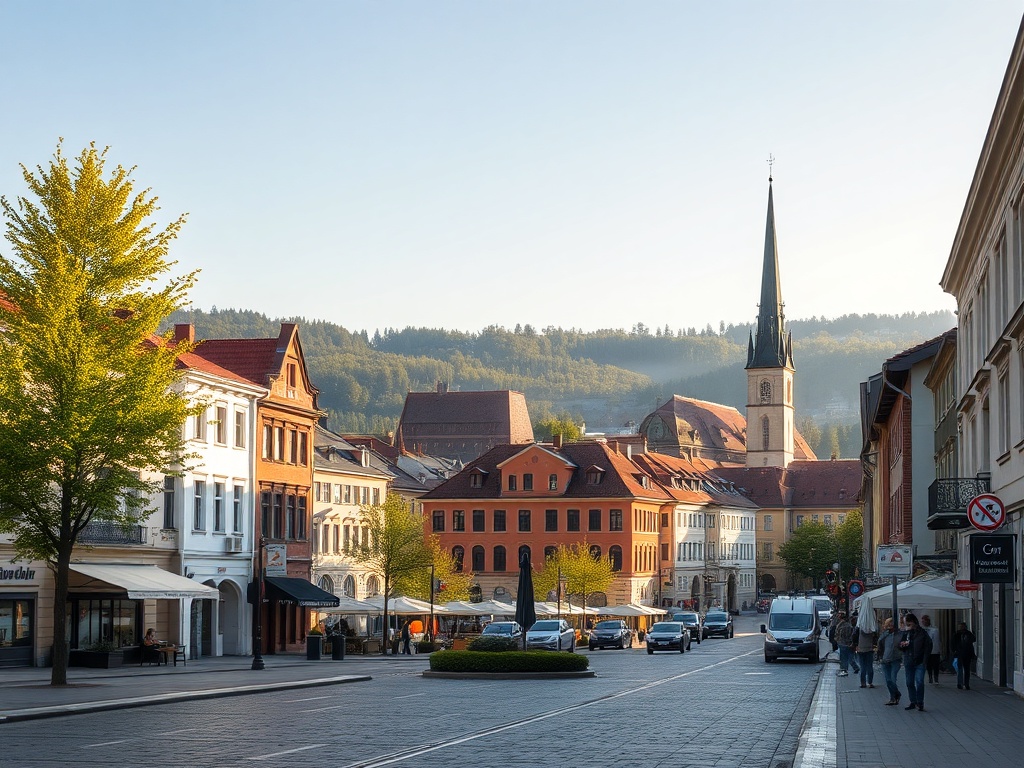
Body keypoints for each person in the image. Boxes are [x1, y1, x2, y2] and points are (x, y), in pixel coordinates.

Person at [900, 613, 932, 711]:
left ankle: (920, 702)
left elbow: (928, 646)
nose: (907, 626)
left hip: (919, 662)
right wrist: (902, 645)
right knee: (909, 682)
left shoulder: (922, 633)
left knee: (919, 682)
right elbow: (900, 645)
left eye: (908, 624)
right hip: (908, 661)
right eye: (906, 624)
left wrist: (924, 660)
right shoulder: (905, 633)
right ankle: (913, 701)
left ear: (914, 622)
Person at [876, 617, 902, 706]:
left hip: (895, 659)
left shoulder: (899, 634)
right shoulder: (884, 634)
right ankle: (893, 698)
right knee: (888, 680)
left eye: (892, 623)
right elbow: (880, 644)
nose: (890, 625)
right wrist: (880, 656)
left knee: (892, 680)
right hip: (885, 659)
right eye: (889, 623)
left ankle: (896, 694)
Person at [952, 621, 977, 690]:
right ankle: (960, 683)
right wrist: (954, 651)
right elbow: (953, 643)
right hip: (959, 654)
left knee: (967, 670)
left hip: (967, 654)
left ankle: (966, 684)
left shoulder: (968, 633)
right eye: (960, 626)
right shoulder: (956, 634)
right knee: (960, 669)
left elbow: (973, 640)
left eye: (962, 626)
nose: (961, 628)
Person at [834, 612, 859, 676]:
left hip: (843, 643)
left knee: (843, 658)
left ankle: (844, 670)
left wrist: (836, 640)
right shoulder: (849, 625)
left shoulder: (841, 625)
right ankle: (855, 667)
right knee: (850, 657)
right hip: (849, 643)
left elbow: (838, 634)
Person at [855, 619, 877, 689]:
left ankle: (863, 683)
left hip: (860, 649)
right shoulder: (872, 628)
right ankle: (870, 682)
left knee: (862, 667)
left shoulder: (859, 627)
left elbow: (854, 636)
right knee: (869, 666)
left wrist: (855, 645)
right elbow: (875, 637)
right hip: (869, 648)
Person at [921, 615, 941, 684]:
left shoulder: (934, 630)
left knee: (936, 665)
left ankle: (936, 678)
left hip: (935, 650)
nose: (923, 622)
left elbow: (936, 640)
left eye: (924, 621)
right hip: (927, 651)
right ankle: (930, 677)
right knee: (928, 665)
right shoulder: (922, 630)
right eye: (923, 621)